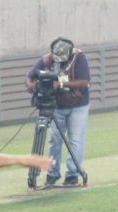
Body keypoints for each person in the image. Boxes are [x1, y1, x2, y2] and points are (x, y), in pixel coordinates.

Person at [25, 37, 91, 188]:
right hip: (56, 105)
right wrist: (31, 86)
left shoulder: (79, 58)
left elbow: (84, 81)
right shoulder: (47, 60)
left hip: (78, 104)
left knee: (75, 139)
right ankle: (52, 173)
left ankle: (72, 174)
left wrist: (60, 83)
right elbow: (29, 77)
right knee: (54, 140)